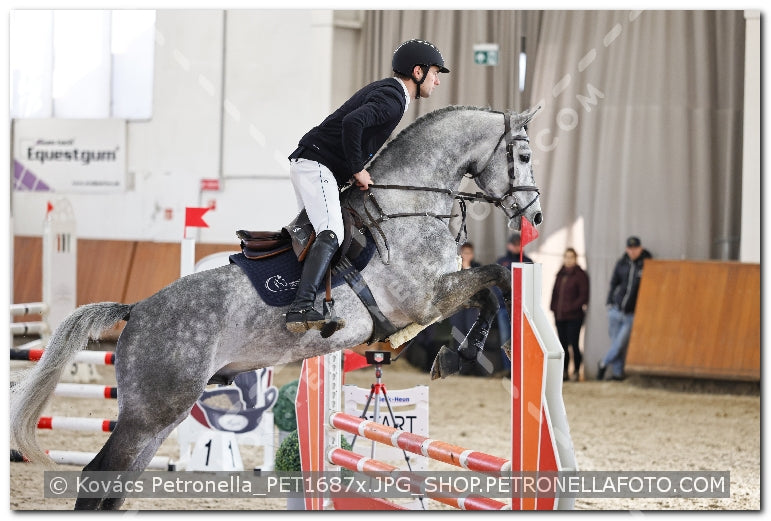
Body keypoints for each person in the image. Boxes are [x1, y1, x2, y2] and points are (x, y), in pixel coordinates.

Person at [284, 39, 450, 333]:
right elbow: (353, 123)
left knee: (321, 236)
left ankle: (312, 301)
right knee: (331, 231)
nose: (437, 81)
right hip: (316, 165)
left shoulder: (390, 93)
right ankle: (300, 308)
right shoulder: (393, 98)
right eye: (435, 73)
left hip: (314, 163)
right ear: (418, 71)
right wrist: (358, 169)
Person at [597, 236, 653, 381]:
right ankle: (617, 374)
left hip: (631, 313)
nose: (632, 251)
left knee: (620, 344)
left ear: (640, 249)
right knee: (616, 343)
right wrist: (609, 302)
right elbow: (613, 283)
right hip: (616, 310)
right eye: (630, 248)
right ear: (626, 249)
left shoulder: (646, 264)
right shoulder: (622, 263)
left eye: (635, 248)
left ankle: (603, 363)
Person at [495, 232, 533, 376]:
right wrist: (504, 298)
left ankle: (521, 368)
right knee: (506, 339)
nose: (517, 247)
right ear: (508, 245)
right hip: (504, 308)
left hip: (522, 308)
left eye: (519, 245)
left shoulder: (528, 262)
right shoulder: (502, 262)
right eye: (514, 244)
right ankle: (508, 369)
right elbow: (495, 283)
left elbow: (532, 284)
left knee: (521, 339)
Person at [550, 248, 589, 382]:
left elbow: (583, 296)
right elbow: (555, 293)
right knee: (562, 345)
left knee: (574, 344)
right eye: (566, 257)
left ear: (575, 259)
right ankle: (565, 371)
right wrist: (553, 308)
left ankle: (577, 370)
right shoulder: (560, 274)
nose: (568, 259)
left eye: (571, 257)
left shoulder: (580, 275)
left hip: (574, 317)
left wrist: (570, 308)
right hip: (560, 316)